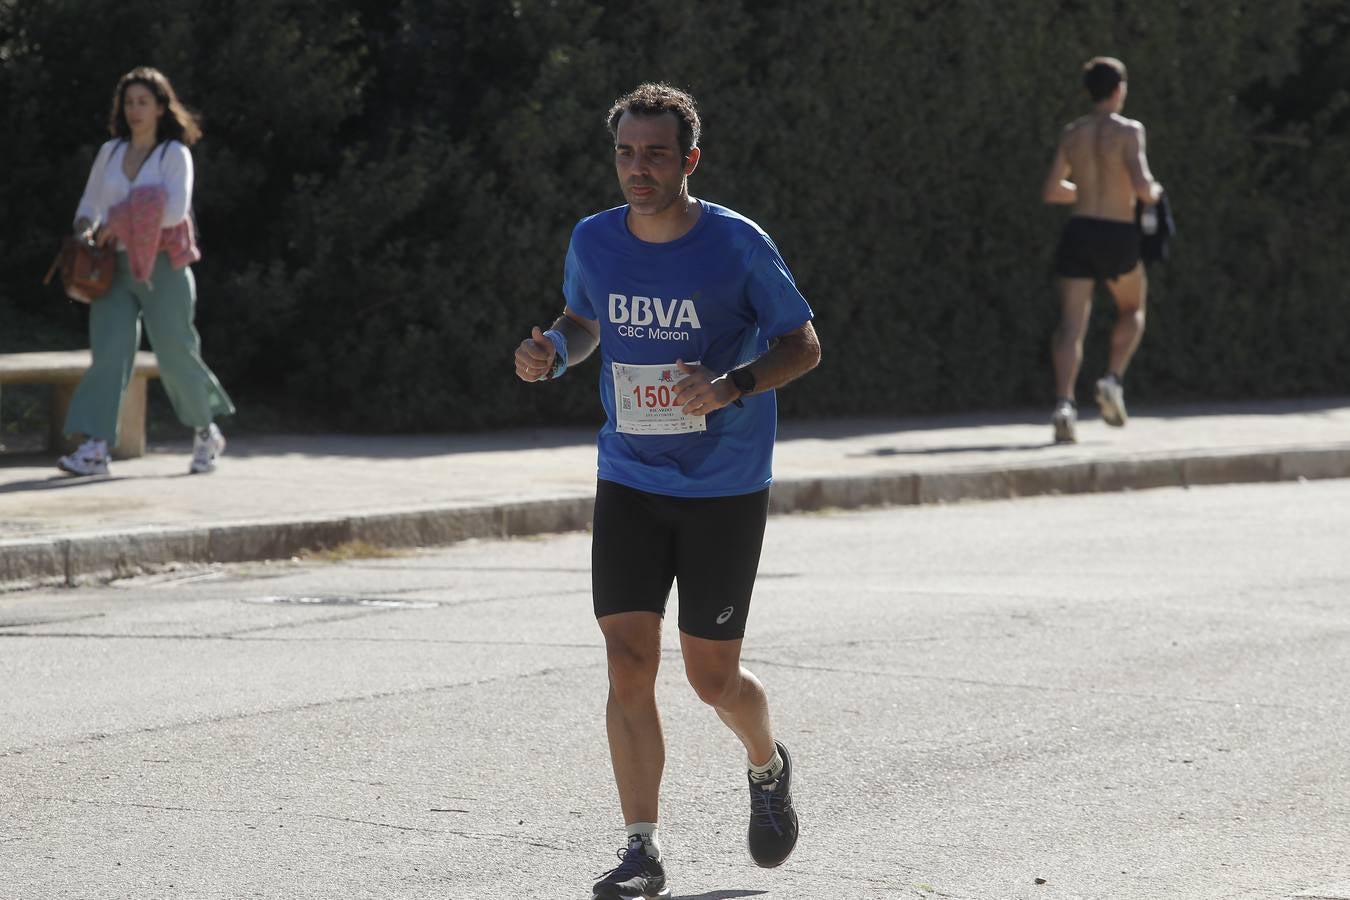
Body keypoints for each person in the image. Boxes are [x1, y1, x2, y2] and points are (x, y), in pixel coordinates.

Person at [513, 83, 820, 899]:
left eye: (655, 154)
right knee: (626, 661)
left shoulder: (736, 244)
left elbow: (804, 344)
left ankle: (767, 762)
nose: (637, 169)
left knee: (712, 680)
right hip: (631, 474)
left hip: (723, 484)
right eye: (625, 152)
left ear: (689, 159)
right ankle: (641, 849)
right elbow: (584, 322)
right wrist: (553, 349)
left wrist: (731, 385)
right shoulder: (594, 239)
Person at [57, 66, 234, 476]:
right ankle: (96, 447)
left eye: (143, 102)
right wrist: (86, 230)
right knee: (109, 354)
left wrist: (116, 220)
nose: (134, 110)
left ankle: (205, 430)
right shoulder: (111, 152)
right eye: (128, 102)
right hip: (111, 269)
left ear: (160, 107)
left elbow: (173, 212)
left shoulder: (175, 154)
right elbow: (88, 206)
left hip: (164, 267)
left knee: (176, 354)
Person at [1042, 56, 1163, 444]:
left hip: (1079, 230)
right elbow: (1143, 185)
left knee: (1071, 324)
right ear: (1118, 90)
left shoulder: (1073, 132)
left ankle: (1064, 405)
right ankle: (1111, 380)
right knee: (1133, 309)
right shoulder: (1129, 131)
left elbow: (1052, 190)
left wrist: (1088, 193)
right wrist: (1154, 193)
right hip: (1117, 233)